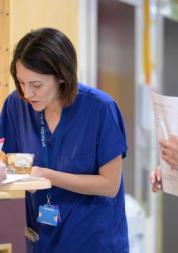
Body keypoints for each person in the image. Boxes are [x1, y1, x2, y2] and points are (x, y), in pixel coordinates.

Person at [0, 27, 129, 253]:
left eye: (36, 85)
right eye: (21, 82)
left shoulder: (100, 109)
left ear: (61, 76)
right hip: (42, 238)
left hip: (92, 240)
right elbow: (8, 157)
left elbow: (110, 185)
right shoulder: (16, 105)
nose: (27, 93)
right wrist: (6, 169)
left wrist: (46, 175)